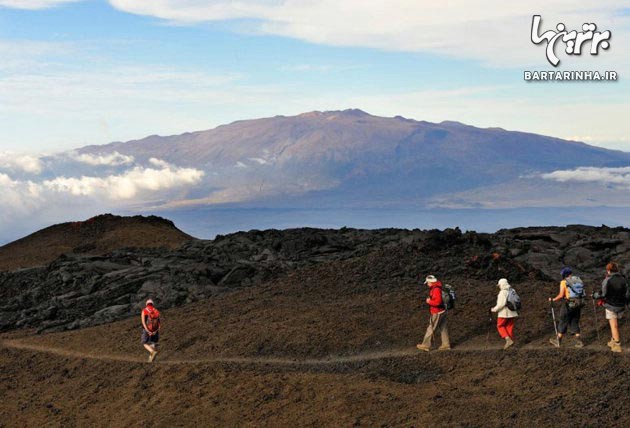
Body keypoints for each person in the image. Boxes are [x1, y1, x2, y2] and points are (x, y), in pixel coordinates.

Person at [594, 262, 627, 353]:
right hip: (621, 305)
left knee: (614, 326)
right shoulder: (623, 279)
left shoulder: (607, 280)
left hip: (611, 305)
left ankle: (617, 345)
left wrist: (595, 295)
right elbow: (626, 292)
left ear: (608, 270)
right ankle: (613, 341)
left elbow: (603, 294)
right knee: (615, 325)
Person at [548, 267, 584, 348]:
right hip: (578, 303)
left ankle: (558, 340)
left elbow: (561, 295)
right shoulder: (578, 280)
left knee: (563, 320)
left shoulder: (564, 282)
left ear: (564, 275)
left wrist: (553, 300)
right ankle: (579, 342)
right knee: (574, 321)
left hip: (569, 303)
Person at [416, 275, 451, 352]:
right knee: (443, 328)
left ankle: (426, 345)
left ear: (430, 282)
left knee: (431, 328)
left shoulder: (436, 290)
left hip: (437, 312)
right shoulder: (439, 286)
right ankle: (446, 344)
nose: (427, 284)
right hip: (443, 311)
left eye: (427, 282)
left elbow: (437, 302)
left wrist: (429, 302)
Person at [490, 278, 518, 350]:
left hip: (504, 313)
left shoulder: (502, 292)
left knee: (500, 326)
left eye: (499, 285)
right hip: (513, 312)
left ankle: (507, 339)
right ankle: (510, 342)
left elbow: (501, 304)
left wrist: (494, 309)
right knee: (509, 326)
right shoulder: (512, 290)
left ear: (501, 285)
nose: (499, 286)